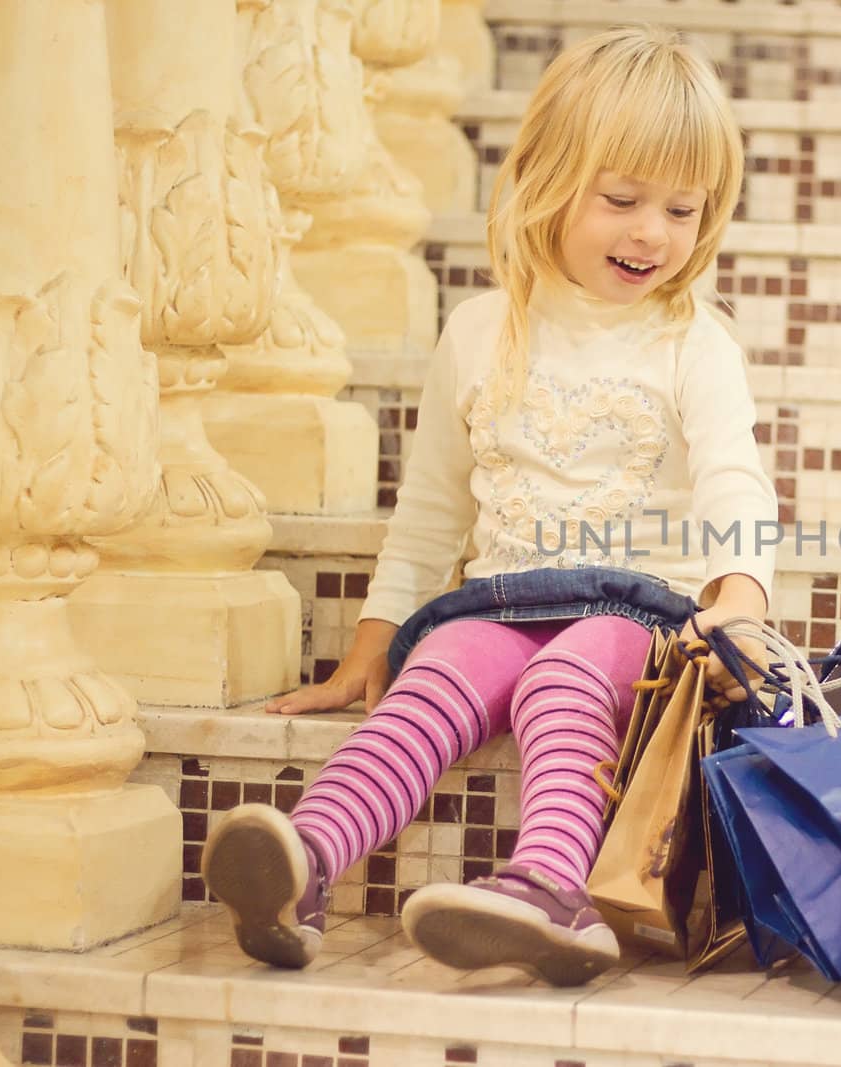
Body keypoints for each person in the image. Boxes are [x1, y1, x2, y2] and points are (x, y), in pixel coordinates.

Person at [202, 25, 777, 987]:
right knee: (433, 679)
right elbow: (428, 511)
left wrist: (743, 592)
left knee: (568, 678)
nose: (653, 233)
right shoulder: (478, 332)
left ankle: (556, 892)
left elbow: (734, 475)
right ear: (549, 180)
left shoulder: (694, 341)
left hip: (639, 611)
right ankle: (302, 863)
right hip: (498, 600)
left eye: (684, 209)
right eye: (623, 199)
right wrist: (373, 641)